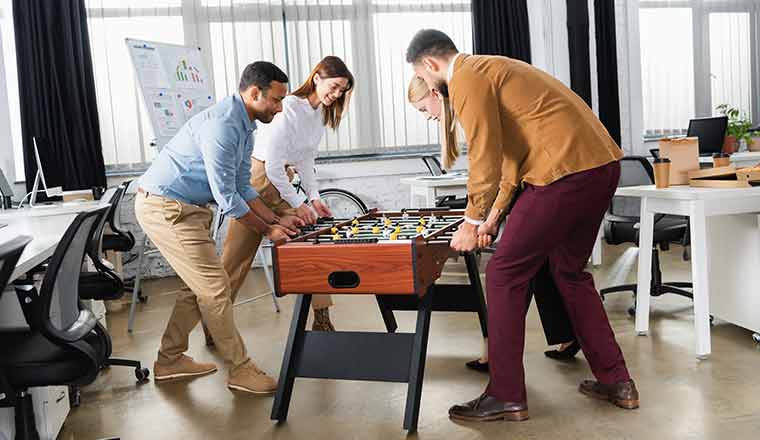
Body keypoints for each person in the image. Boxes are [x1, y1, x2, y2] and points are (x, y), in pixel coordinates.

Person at [406, 29, 638, 422]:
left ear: (430, 65)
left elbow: (484, 153)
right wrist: (493, 216)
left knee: (502, 274)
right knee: (569, 273)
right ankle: (617, 381)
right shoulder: (494, 71)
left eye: (424, 79)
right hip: (601, 167)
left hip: (563, 175)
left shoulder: (466, 75)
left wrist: (472, 220)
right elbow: (512, 161)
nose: (429, 88)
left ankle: (505, 394)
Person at [136, 61, 302, 395]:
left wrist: (276, 218)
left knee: (199, 286)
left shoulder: (245, 126)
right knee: (214, 287)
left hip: (186, 209)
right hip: (165, 208)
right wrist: (269, 231)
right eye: (276, 99)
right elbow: (227, 198)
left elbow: (243, 184)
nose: (280, 108)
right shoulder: (224, 126)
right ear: (254, 93)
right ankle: (240, 369)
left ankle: (169, 360)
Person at [406, 77, 580, 372]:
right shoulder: (468, 107)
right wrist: (489, 221)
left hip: (540, 181)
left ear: (436, 94)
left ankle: (497, 355)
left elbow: (500, 174)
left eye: (424, 109)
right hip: (535, 181)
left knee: (507, 268)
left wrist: (485, 221)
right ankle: (566, 336)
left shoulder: (471, 108)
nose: (428, 117)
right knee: (539, 264)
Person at [222, 56, 354, 332]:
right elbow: (271, 165)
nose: (337, 94)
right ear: (317, 77)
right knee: (236, 260)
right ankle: (216, 324)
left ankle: (322, 319)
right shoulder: (291, 108)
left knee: (312, 242)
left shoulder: (318, 115)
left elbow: (306, 159)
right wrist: (299, 202)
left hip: (283, 178)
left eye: (342, 90)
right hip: (258, 180)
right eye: (334, 86)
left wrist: (314, 198)